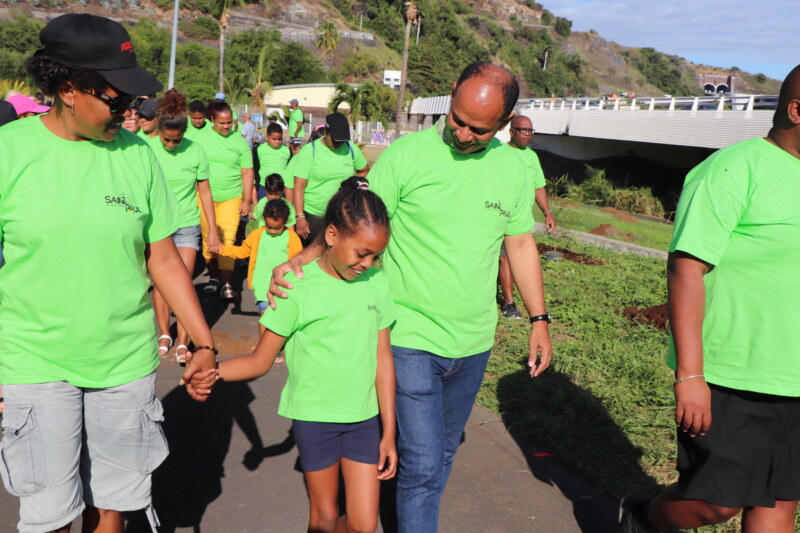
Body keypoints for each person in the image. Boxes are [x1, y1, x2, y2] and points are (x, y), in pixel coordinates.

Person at [268, 62, 552, 533]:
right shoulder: (408, 156)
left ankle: (374, 506)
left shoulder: (513, 169)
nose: (460, 133)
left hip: (475, 340)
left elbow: (519, 243)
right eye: (455, 119)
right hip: (408, 335)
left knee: (439, 456)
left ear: (504, 124)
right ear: (452, 94)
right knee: (422, 467)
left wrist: (539, 318)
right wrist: (304, 259)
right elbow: (360, 218)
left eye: (476, 129)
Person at [0, 13, 218, 533]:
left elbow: (162, 259)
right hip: (33, 361)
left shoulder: (136, 156)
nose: (129, 110)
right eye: (115, 98)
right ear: (70, 89)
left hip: (122, 364)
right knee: (49, 515)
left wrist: (205, 343)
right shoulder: (10, 152)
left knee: (112, 508)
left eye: (132, 100)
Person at [619, 66, 800, 533]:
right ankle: (641, 518)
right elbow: (685, 267)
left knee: (779, 503)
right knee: (715, 504)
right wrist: (690, 376)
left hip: (795, 380)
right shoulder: (734, 168)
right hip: (731, 375)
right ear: (798, 111)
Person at [216, 187, 397, 533]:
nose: (367, 265)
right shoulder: (295, 288)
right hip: (315, 420)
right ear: (331, 235)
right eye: (362, 253)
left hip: (364, 420)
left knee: (363, 525)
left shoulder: (377, 283)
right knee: (325, 518)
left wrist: (388, 432)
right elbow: (259, 360)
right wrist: (212, 370)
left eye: (376, 256)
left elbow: (383, 359)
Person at [145, 88, 221, 362]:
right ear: (159, 130)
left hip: (187, 224)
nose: (170, 145)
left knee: (183, 283)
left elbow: (205, 193)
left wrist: (212, 230)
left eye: (176, 141)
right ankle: (164, 332)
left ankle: (183, 339)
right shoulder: (147, 147)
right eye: (166, 139)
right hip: (156, 227)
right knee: (161, 283)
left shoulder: (196, 151)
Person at [190, 100, 255, 300]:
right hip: (203, 197)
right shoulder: (199, 138)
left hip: (231, 197)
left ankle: (227, 282)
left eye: (229, 123)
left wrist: (246, 200)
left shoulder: (239, 142)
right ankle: (214, 278)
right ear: (212, 120)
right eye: (222, 123)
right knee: (209, 237)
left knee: (227, 237)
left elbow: (247, 172)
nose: (226, 126)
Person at [499, 115, 556, 319]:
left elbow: (538, 186)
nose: (527, 134)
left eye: (530, 131)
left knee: (511, 260)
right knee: (504, 259)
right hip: (501, 218)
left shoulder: (532, 157)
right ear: (511, 131)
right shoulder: (499, 152)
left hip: (523, 221)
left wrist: (547, 212)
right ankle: (509, 302)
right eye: (523, 130)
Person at [218, 198, 302, 332]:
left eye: (277, 228)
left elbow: (298, 261)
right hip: (262, 285)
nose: (272, 231)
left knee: (281, 320)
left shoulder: (292, 237)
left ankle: (276, 349)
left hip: (285, 286)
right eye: (269, 227)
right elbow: (242, 251)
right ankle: (265, 350)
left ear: (285, 222)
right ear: (264, 220)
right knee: (266, 316)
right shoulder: (257, 234)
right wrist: (222, 249)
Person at [292, 112, 368, 246]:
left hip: (341, 214)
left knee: (336, 257)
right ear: (326, 132)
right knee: (312, 257)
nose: (339, 144)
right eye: (335, 139)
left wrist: (353, 186)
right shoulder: (310, 151)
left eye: (342, 140)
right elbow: (298, 186)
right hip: (314, 215)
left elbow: (364, 170)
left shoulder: (351, 150)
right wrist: (300, 216)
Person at [256, 122, 291, 200]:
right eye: (274, 139)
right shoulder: (259, 149)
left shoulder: (287, 150)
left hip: (281, 187)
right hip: (264, 187)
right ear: (267, 137)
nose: (277, 142)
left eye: (280, 139)